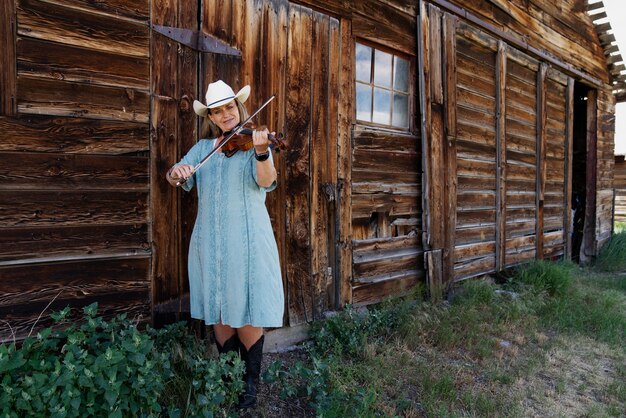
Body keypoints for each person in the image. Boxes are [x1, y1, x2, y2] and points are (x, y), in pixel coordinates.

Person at [166, 80, 284, 409]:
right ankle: (228, 377)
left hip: (245, 241)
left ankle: (250, 386)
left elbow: (266, 181)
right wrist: (176, 172)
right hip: (210, 242)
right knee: (219, 311)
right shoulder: (203, 149)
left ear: (239, 107)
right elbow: (175, 176)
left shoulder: (253, 143)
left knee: (245, 310)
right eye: (218, 111)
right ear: (212, 117)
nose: (225, 114)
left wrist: (262, 151)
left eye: (230, 107)